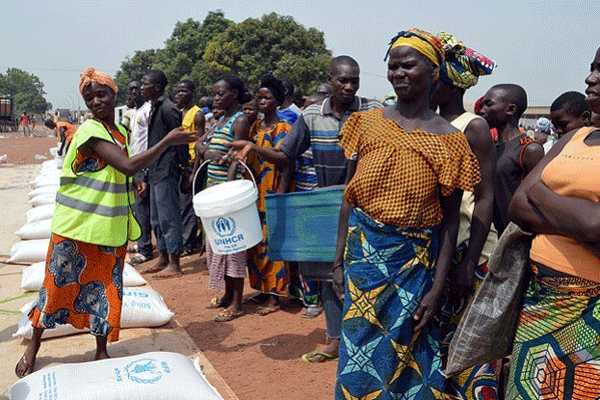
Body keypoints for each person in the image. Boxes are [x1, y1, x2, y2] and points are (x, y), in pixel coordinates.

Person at [14, 68, 195, 378]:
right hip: (75, 228)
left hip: (108, 229)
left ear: (114, 95)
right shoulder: (89, 131)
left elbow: (118, 170)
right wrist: (167, 141)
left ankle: (101, 349)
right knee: (55, 288)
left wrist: (135, 181)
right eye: (89, 97)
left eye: (101, 94)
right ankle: (33, 347)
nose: (96, 101)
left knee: (105, 291)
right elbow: (125, 165)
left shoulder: (119, 133)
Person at [333, 29, 480, 399]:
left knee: (408, 349)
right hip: (363, 258)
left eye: (408, 65)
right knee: (358, 352)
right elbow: (349, 198)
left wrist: (435, 286)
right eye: (393, 66)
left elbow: (450, 220)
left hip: (414, 266)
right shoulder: (365, 123)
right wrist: (337, 261)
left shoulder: (450, 139)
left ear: (434, 72)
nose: (398, 72)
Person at [232, 55, 383, 362]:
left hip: (366, 205)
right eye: (343, 80)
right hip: (327, 206)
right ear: (330, 79)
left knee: (364, 275)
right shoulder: (312, 115)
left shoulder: (373, 111)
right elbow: (285, 155)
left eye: (355, 80)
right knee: (328, 276)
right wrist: (254, 148)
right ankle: (333, 338)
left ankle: (362, 340)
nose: (349, 86)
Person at [506, 46, 600, 400]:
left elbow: (595, 226)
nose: (590, 78)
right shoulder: (574, 138)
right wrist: (582, 219)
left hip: (590, 307)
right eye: (591, 67)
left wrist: (543, 197)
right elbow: (518, 203)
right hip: (540, 299)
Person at [430, 32, 500, 399]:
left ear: (450, 83)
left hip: (468, 247)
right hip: (442, 243)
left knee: (469, 341)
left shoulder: (471, 126)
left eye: (433, 75)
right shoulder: (429, 122)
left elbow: (485, 197)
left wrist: (470, 260)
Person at [233, 74, 293, 315]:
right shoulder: (256, 127)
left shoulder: (285, 128)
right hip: (254, 192)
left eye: (267, 97)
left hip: (272, 191)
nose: (262, 101)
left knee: (273, 244)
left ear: (278, 101)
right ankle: (262, 289)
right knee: (256, 244)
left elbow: (285, 161)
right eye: (259, 97)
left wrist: (280, 195)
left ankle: (276, 296)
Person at [202, 74, 251, 322]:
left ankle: (237, 303)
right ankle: (227, 294)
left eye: (221, 93)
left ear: (234, 94)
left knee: (232, 247)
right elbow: (201, 147)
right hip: (214, 191)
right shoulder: (219, 120)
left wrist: (229, 191)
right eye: (215, 93)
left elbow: (236, 157)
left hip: (228, 192)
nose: (216, 97)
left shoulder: (239, 121)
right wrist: (209, 153)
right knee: (219, 246)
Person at [479, 83, 544, 236]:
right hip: (491, 236)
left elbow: (539, 201)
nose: (482, 111)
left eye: (489, 104)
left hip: (516, 237)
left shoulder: (529, 149)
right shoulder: (490, 148)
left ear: (511, 110)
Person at [139, 70, 187, 278]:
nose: (141, 88)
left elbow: (181, 140)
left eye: (145, 84)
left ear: (156, 87)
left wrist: (185, 169)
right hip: (155, 169)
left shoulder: (168, 109)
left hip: (167, 169)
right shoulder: (154, 108)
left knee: (169, 216)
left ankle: (175, 262)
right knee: (157, 218)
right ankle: (163, 256)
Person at [174, 80, 205, 256]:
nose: (179, 94)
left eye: (183, 91)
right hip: (180, 162)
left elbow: (200, 143)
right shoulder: (178, 112)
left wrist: (194, 171)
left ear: (191, 93)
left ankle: (188, 244)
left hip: (193, 162)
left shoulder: (197, 114)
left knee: (188, 204)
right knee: (181, 204)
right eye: (178, 91)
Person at [126, 80, 154, 266]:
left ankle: (145, 249)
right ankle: (143, 243)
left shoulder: (147, 110)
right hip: (136, 164)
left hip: (145, 165)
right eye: (131, 89)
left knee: (143, 210)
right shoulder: (134, 112)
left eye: (137, 88)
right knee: (138, 209)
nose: (135, 92)